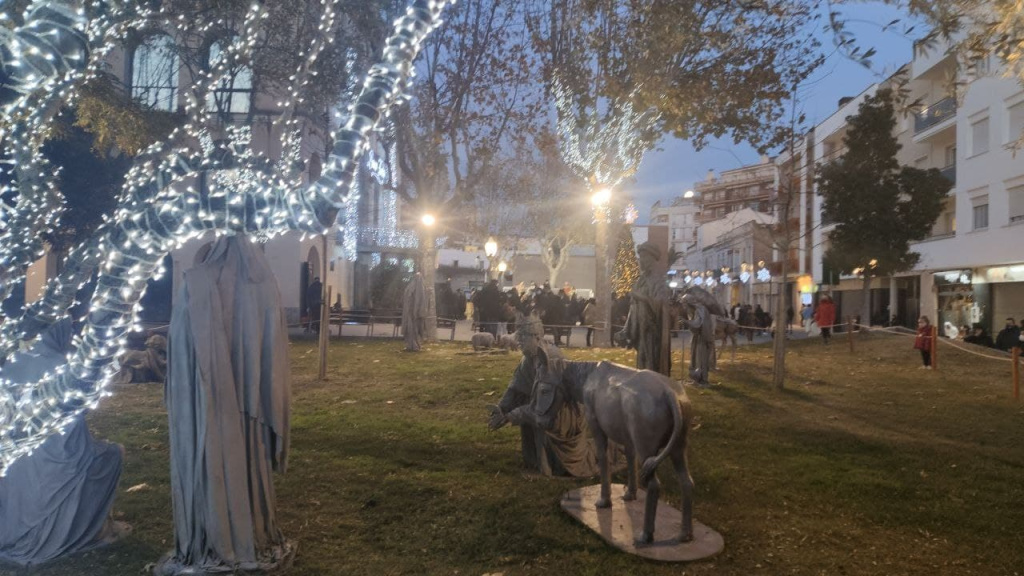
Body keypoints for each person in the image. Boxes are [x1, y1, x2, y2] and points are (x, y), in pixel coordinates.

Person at [162, 235, 293, 574]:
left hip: (205, 407)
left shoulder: (197, 284)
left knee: (213, 464)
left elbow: (179, 350)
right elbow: (274, 355)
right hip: (251, 410)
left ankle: (212, 531)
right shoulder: (266, 285)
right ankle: (248, 530)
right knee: (245, 464)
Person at [0, 321, 127, 566]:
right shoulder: (63, 366)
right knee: (113, 454)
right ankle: (96, 527)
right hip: (57, 465)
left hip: (13, 460)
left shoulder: (11, 365)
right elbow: (73, 440)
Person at [487, 314, 605, 477]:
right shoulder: (527, 359)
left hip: (560, 412)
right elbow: (514, 388)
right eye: (517, 336)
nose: (518, 340)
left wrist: (512, 415)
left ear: (536, 337)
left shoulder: (552, 358)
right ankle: (536, 459)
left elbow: (546, 406)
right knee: (525, 400)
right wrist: (500, 409)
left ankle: (548, 466)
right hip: (541, 406)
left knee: (536, 414)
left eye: (522, 336)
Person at [615, 241, 672, 375]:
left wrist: (640, 296)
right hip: (640, 329)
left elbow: (661, 304)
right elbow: (633, 307)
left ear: (650, 258)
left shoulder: (658, 280)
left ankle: (653, 388)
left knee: (651, 363)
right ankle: (644, 387)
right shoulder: (641, 280)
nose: (640, 261)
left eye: (642, 258)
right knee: (642, 362)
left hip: (652, 332)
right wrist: (626, 330)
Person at [402, 273, 427, 352]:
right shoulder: (411, 286)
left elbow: (420, 300)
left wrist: (417, 311)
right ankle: (410, 345)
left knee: (415, 329)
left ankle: (415, 345)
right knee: (410, 329)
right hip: (409, 311)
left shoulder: (420, 287)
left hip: (415, 313)